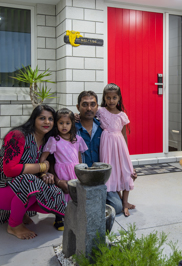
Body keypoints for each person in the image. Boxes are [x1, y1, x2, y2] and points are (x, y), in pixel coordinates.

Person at [0, 105, 66, 240]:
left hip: (19, 187)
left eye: (50, 119)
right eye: (42, 118)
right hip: (3, 187)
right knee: (30, 181)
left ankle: (20, 211)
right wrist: (41, 167)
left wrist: (45, 174)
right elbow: (9, 170)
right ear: (33, 119)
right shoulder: (18, 135)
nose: (47, 122)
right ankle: (14, 225)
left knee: (56, 191)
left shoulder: (47, 141)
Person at [75, 91, 124, 215]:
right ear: (78, 107)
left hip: (100, 179)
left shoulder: (104, 127)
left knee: (117, 207)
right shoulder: (72, 128)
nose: (89, 108)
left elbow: (118, 149)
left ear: (98, 107)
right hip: (80, 178)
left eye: (93, 104)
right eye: (85, 104)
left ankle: (93, 204)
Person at [40, 108, 88, 230]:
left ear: (72, 124)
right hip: (62, 172)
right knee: (62, 194)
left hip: (75, 171)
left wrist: (82, 171)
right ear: (56, 124)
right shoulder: (54, 140)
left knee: (74, 194)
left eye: (67, 123)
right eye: (61, 123)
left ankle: (73, 216)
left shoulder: (77, 139)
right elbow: (44, 156)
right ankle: (58, 219)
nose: (64, 126)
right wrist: (43, 170)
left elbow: (79, 157)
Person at [97, 83, 137, 217]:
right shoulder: (100, 111)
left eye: (114, 97)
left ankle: (125, 203)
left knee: (126, 171)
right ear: (104, 98)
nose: (111, 100)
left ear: (119, 98)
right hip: (106, 146)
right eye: (108, 98)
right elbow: (88, 115)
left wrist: (125, 152)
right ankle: (119, 200)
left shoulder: (122, 115)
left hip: (119, 146)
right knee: (112, 172)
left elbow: (124, 135)